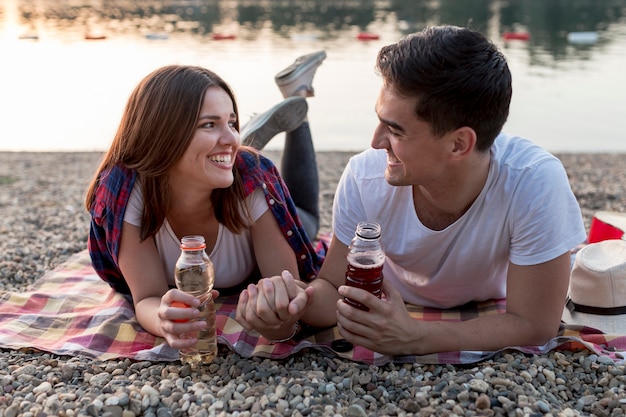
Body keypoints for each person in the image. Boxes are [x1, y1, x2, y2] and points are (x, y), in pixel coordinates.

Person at [236, 26, 587, 356]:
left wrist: (416, 338)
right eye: (379, 120)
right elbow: (333, 287)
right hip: (395, 299)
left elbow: (535, 325)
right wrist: (291, 307)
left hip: (492, 301)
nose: (375, 142)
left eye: (395, 130)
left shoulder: (533, 182)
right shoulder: (365, 178)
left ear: (458, 144)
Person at [84, 50, 328, 350]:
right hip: (227, 183)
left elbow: (288, 290)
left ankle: (298, 104)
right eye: (209, 124)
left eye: (232, 123)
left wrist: (281, 317)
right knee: (239, 162)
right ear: (163, 136)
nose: (232, 137)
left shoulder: (252, 178)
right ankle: (225, 151)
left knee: (308, 219)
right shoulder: (125, 189)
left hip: (253, 196)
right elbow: (146, 299)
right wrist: (164, 321)